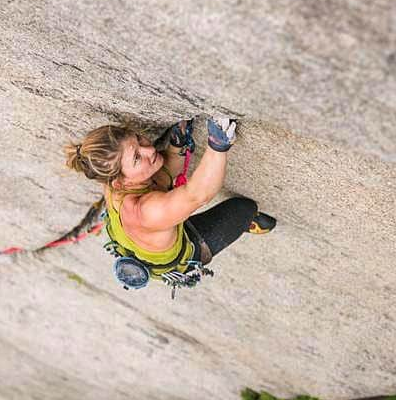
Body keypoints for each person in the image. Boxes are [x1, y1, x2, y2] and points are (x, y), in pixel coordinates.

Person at [64, 116, 275, 291]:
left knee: (160, 178)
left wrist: (177, 146)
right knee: (242, 209)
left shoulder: (113, 179)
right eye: (137, 157)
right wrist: (218, 145)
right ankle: (247, 223)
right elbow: (197, 194)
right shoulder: (147, 212)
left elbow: (158, 177)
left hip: (142, 238)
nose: (149, 150)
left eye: (139, 139)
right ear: (120, 181)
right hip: (182, 255)